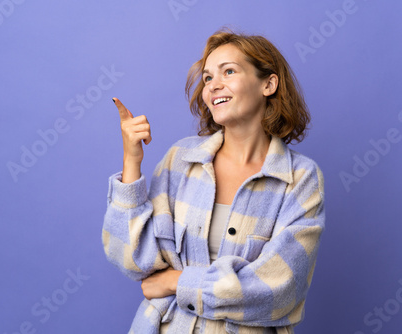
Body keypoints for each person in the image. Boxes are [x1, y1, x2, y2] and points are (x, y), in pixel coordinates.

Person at [102, 29, 325, 334]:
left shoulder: (299, 179)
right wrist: (132, 161)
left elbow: (278, 290)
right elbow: (134, 260)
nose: (213, 86)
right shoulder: (181, 158)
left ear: (268, 84)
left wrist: (176, 281)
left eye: (228, 71)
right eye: (207, 78)